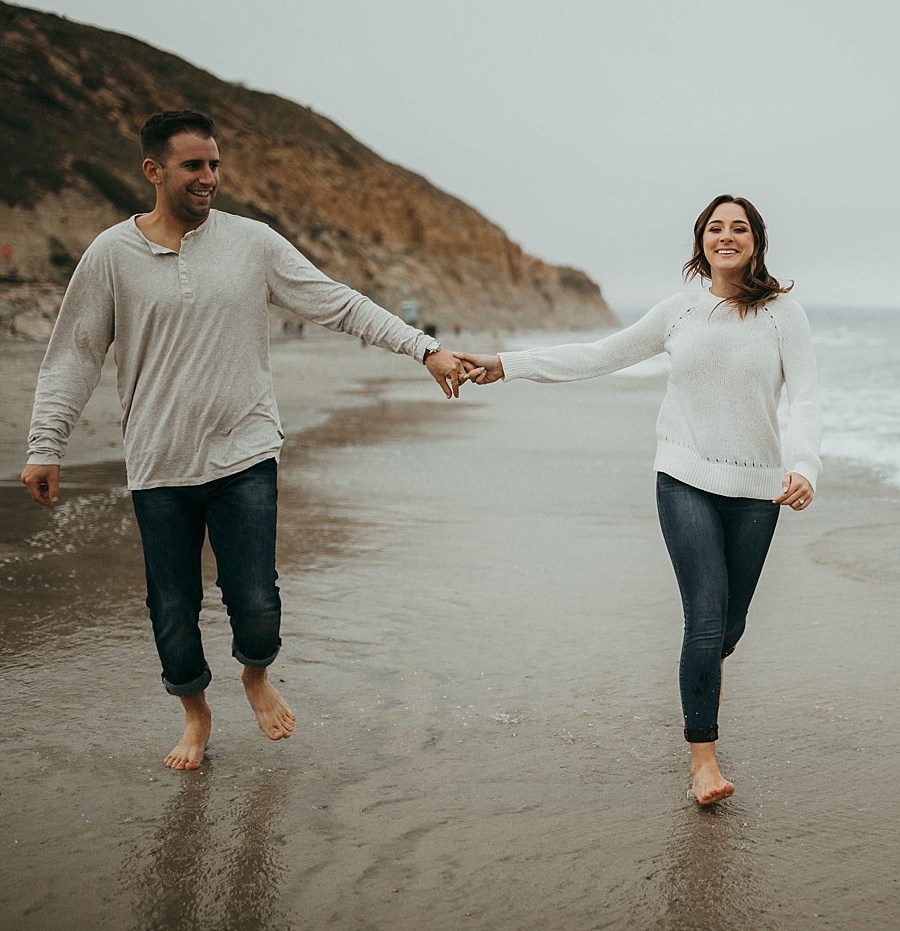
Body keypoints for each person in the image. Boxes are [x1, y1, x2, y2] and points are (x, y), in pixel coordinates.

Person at [20, 110, 472, 770]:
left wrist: (424, 347)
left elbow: (337, 303)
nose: (210, 177)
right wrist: (45, 442)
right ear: (154, 170)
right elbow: (75, 354)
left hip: (245, 453)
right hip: (158, 463)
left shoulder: (252, 243)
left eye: (215, 165)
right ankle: (195, 713)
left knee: (256, 602)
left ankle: (255, 676)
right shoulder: (110, 256)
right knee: (172, 610)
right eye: (194, 166)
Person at [458, 194, 821, 805]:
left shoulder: (784, 313)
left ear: (757, 240)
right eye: (714, 227)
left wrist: (805, 464)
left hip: (757, 489)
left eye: (738, 228)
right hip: (682, 477)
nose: (725, 236)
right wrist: (506, 364)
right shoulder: (679, 310)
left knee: (729, 627)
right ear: (700, 240)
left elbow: (805, 399)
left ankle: (706, 672)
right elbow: (602, 355)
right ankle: (703, 763)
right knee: (705, 620)